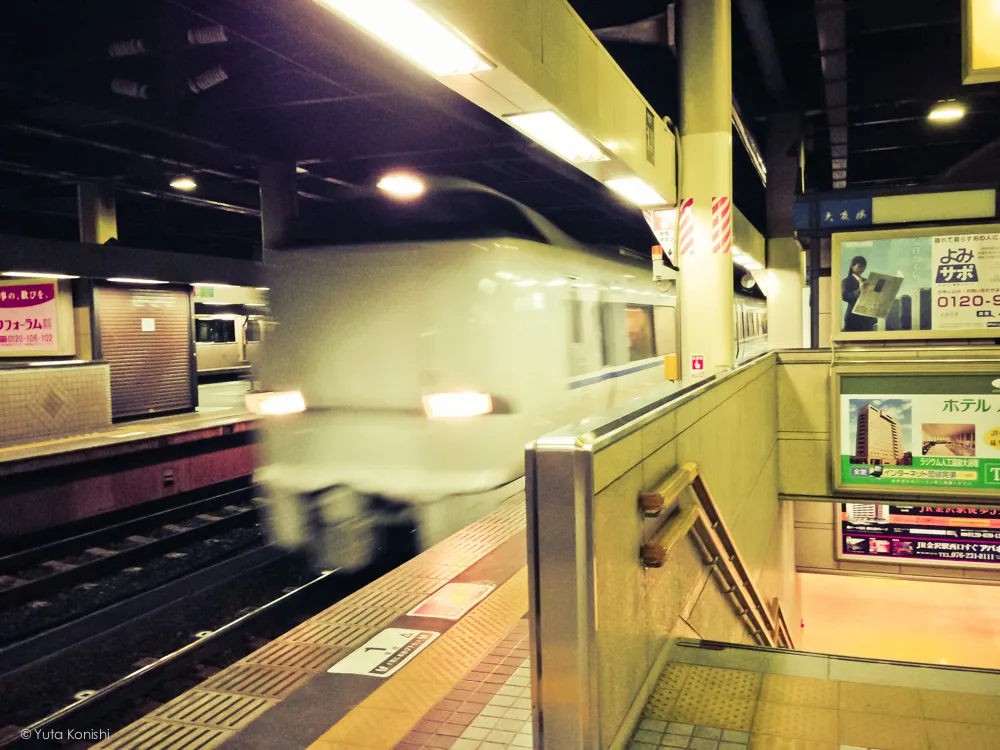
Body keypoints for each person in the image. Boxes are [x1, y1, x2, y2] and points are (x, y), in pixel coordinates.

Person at [842, 255, 876, 332]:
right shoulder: (846, 281)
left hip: (866, 318)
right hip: (853, 317)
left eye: (864, 267)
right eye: (859, 266)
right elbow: (845, 297)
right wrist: (859, 291)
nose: (862, 269)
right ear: (852, 266)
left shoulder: (867, 281)